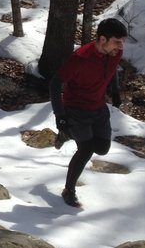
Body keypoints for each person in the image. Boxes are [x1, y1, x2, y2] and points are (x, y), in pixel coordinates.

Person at [49, 17, 127, 208]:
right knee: (86, 150)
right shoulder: (80, 59)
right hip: (76, 110)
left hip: (98, 106)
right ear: (102, 39)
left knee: (102, 148)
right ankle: (69, 190)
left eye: (122, 42)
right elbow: (55, 84)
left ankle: (67, 134)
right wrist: (60, 116)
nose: (120, 46)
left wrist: (115, 91)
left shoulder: (115, 52)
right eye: (117, 41)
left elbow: (113, 69)